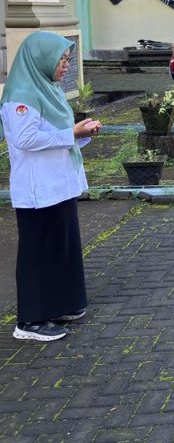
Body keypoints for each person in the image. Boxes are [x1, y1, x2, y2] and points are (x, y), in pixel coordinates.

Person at [1, 32, 103, 342]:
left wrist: (81, 133)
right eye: (61, 60)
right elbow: (25, 139)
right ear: (40, 59)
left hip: (58, 185)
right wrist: (71, 133)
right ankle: (30, 322)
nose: (65, 66)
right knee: (38, 253)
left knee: (62, 247)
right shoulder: (21, 96)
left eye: (68, 60)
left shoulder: (49, 90)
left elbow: (59, 135)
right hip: (38, 190)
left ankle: (60, 305)